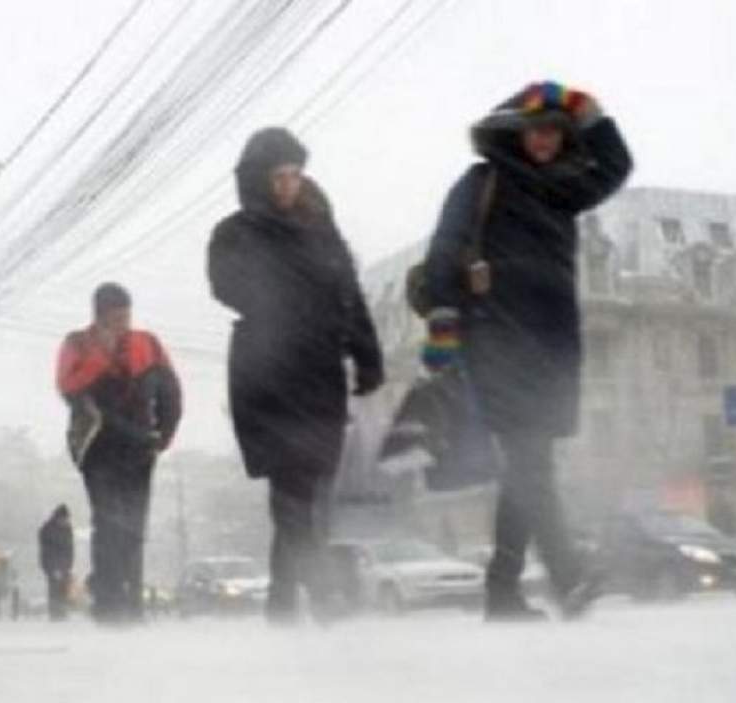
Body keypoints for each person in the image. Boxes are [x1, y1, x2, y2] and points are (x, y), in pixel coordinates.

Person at [421, 81, 633, 621]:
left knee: (527, 467)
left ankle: (502, 593)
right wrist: (444, 327)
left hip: (552, 345)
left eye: (556, 132)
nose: (544, 141)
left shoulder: (564, 188)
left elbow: (615, 164)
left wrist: (586, 109)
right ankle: (569, 577)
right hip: (497, 336)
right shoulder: (484, 179)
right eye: (535, 129)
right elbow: (445, 248)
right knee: (532, 461)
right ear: (515, 132)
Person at [208, 127, 384, 623]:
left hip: (320, 372)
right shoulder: (234, 233)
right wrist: (281, 294)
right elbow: (224, 285)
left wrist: (367, 355)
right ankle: (322, 589)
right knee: (290, 486)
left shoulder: (324, 232)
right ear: (258, 179)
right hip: (266, 371)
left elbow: (349, 295)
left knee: (314, 489)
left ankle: (282, 605)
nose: (288, 185)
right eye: (278, 176)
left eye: (294, 174)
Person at [56, 283, 182, 623]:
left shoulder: (148, 345)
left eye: (126, 316)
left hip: (140, 447)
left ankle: (125, 596)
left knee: (133, 526)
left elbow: (171, 391)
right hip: (97, 447)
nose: (123, 324)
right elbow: (68, 389)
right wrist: (101, 356)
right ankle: (109, 600)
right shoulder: (77, 344)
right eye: (115, 318)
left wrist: (163, 436)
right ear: (99, 316)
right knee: (109, 520)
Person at [38, 504, 74, 621]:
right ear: (59, 517)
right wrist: (53, 568)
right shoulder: (47, 530)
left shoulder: (67, 529)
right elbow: (48, 552)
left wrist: (68, 566)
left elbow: (70, 549)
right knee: (54, 590)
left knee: (63, 590)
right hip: (52, 566)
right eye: (65, 518)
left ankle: (62, 614)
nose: (66, 520)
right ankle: (55, 615)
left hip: (64, 566)